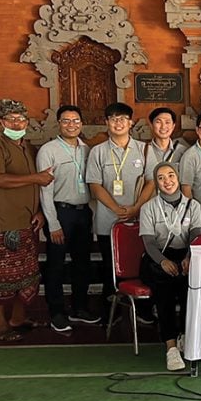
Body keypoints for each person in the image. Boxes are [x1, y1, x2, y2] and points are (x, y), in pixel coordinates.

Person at [0, 99, 54, 341]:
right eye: (11, 119)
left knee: (27, 274)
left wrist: (41, 211)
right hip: (6, 222)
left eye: (21, 119)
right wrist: (35, 178)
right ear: (1, 122)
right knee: (3, 276)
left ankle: (18, 317)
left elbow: (40, 184)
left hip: (29, 220)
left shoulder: (28, 147)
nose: (17, 123)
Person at [36, 104, 99, 335]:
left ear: (81, 124)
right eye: (66, 121)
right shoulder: (48, 150)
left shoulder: (87, 150)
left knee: (82, 263)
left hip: (83, 212)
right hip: (60, 212)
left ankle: (79, 307)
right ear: (58, 124)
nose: (71, 125)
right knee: (56, 265)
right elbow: (45, 190)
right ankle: (57, 312)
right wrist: (53, 223)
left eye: (75, 121)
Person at [85, 102, 148, 315]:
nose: (118, 123)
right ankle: (111, 311)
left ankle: (141, 311)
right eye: (113, 119)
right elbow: (95, 185)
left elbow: (151, 182)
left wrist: (136, 207)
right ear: (106, 123)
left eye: (123, 118)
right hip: (107, 221)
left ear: (131, 122)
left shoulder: (144, 149)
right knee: (109, 267)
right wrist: (116, 208)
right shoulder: (98, 152)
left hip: (139, 219)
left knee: (139, 264)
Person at [138, 162, 201, 371]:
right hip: (156, 259)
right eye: (161, 178)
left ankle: (185, 335)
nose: (167, 181)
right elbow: (148, 243)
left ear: (178, 178)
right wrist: (163, 261)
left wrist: (188, 257)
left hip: (184, 255)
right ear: (156, 183)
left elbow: (195, 235)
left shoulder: (193, 205)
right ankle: (171, 346)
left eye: (171, 176)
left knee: (188, 287)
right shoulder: (149, 207)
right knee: (164, 290)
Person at [139, 107, 188, 205]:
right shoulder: (143, 151)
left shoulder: (183, 151)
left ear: (173, 126)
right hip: (150, 205)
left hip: (176, 205)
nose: (163, 126)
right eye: (158, 122)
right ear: (151, 125)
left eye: (167, 122)